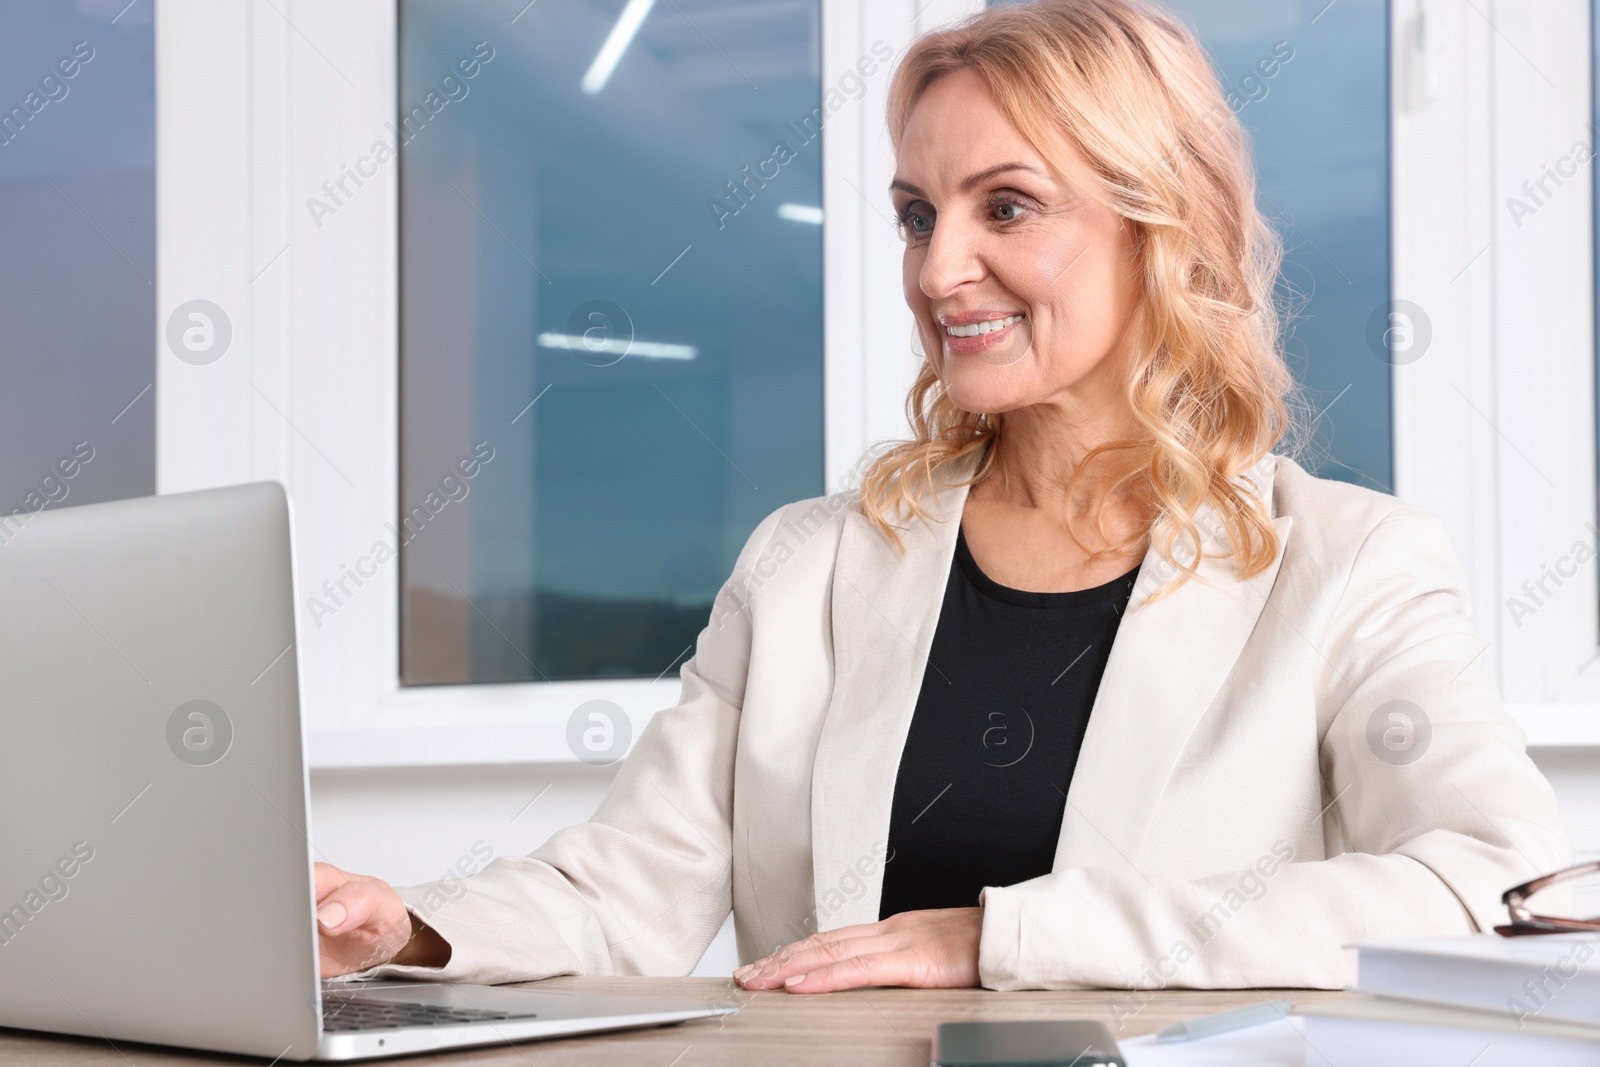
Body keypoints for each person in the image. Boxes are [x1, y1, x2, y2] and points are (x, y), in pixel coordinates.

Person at [313, 0, 1570, 993]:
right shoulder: (808, 563)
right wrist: (411, 925)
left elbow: (1496, 881)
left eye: (1005, 205)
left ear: (1163, 227)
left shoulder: (1350, 565)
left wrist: (1000, 936)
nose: (938, 268)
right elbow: (631, 880)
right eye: (918, 215)